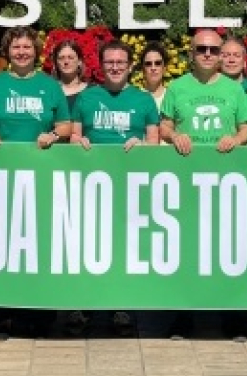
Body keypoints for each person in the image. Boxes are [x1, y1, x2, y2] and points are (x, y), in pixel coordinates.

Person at [0, 26, 70, 339]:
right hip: (2, 182)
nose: (22, 52)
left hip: (42, 182)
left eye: (27, 47)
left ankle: (40, 315)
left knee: (39, 246)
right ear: (7, 52)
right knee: (6, 246)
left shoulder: (50, 87)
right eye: (16, 48)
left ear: (35, 51)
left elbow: (65, 126)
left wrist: (52, 135)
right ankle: (6, 314)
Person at [157, 29, 247, 339]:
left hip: (226, 179)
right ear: (192, 53)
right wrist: (174, 136)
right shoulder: (177, 87)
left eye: (213, 49)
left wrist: (235, 139)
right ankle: (182, 319)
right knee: (187, 250)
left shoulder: (234, 89)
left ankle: (233, 321)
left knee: (228, 249)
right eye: (201, 49)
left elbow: (246, 127)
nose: (208, 54)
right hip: (187, 178)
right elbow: (165, 124)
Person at [69, 39, 160, 337]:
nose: (115, 67)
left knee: (124, 248)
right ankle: (83, 306)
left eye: (121, 62)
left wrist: (144, 146)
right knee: (89, 245)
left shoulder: (144, 101)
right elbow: (74, 139)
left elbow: (155, 142)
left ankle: (122, 307)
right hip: (91, 187)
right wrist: (79, 144)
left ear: (131, 66)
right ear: (100, 65)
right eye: (110, 62)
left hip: (130, 189)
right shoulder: (86, 98)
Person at [50, 39, 88, 112]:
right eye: (61, 58)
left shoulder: (91, 92)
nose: (66, 62)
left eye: (70, 57)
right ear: (56, 63)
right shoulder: (49, 91)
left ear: (79, 61)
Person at [140, 41, 169, 110]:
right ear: (143, 69)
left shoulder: (172, 98)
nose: (153, 68)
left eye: (158, 63)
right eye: (148, 64)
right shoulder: (135, 98)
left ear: (164, 68)